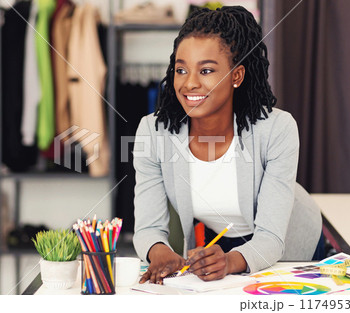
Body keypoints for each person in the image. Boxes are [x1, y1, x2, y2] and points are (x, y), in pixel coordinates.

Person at [132, 6, 322, 285]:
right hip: (218, 242)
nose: (189, 83)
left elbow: (270, 237)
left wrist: (231, 260)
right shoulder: (154, 132)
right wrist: (159, 252)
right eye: (181, 70)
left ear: (237, 76)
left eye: (206, 70)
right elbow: (148, 226)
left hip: (287, 244)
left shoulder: (277, 129)